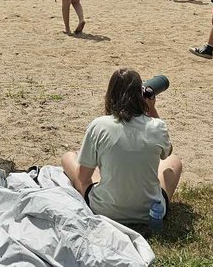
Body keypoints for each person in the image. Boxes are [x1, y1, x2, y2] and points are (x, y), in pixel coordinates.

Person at [62, 68, 182, 224]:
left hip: (103, 210)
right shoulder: (157, 126)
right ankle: (155, 209)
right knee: (174, 161)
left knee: (69, 157)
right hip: (148, 212)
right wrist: (151, 108)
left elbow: (83, 176)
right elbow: (167, 152)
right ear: (141, 95)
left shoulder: (99, 125)